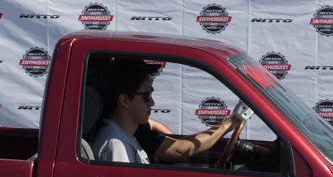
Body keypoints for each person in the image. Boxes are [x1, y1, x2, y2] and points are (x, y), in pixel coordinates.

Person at [89, 57, 247, 165]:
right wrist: (230, 123)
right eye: (147, 96)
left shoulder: (125, 133)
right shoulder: (117, 146)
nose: (152, 102)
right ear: (125, 100)